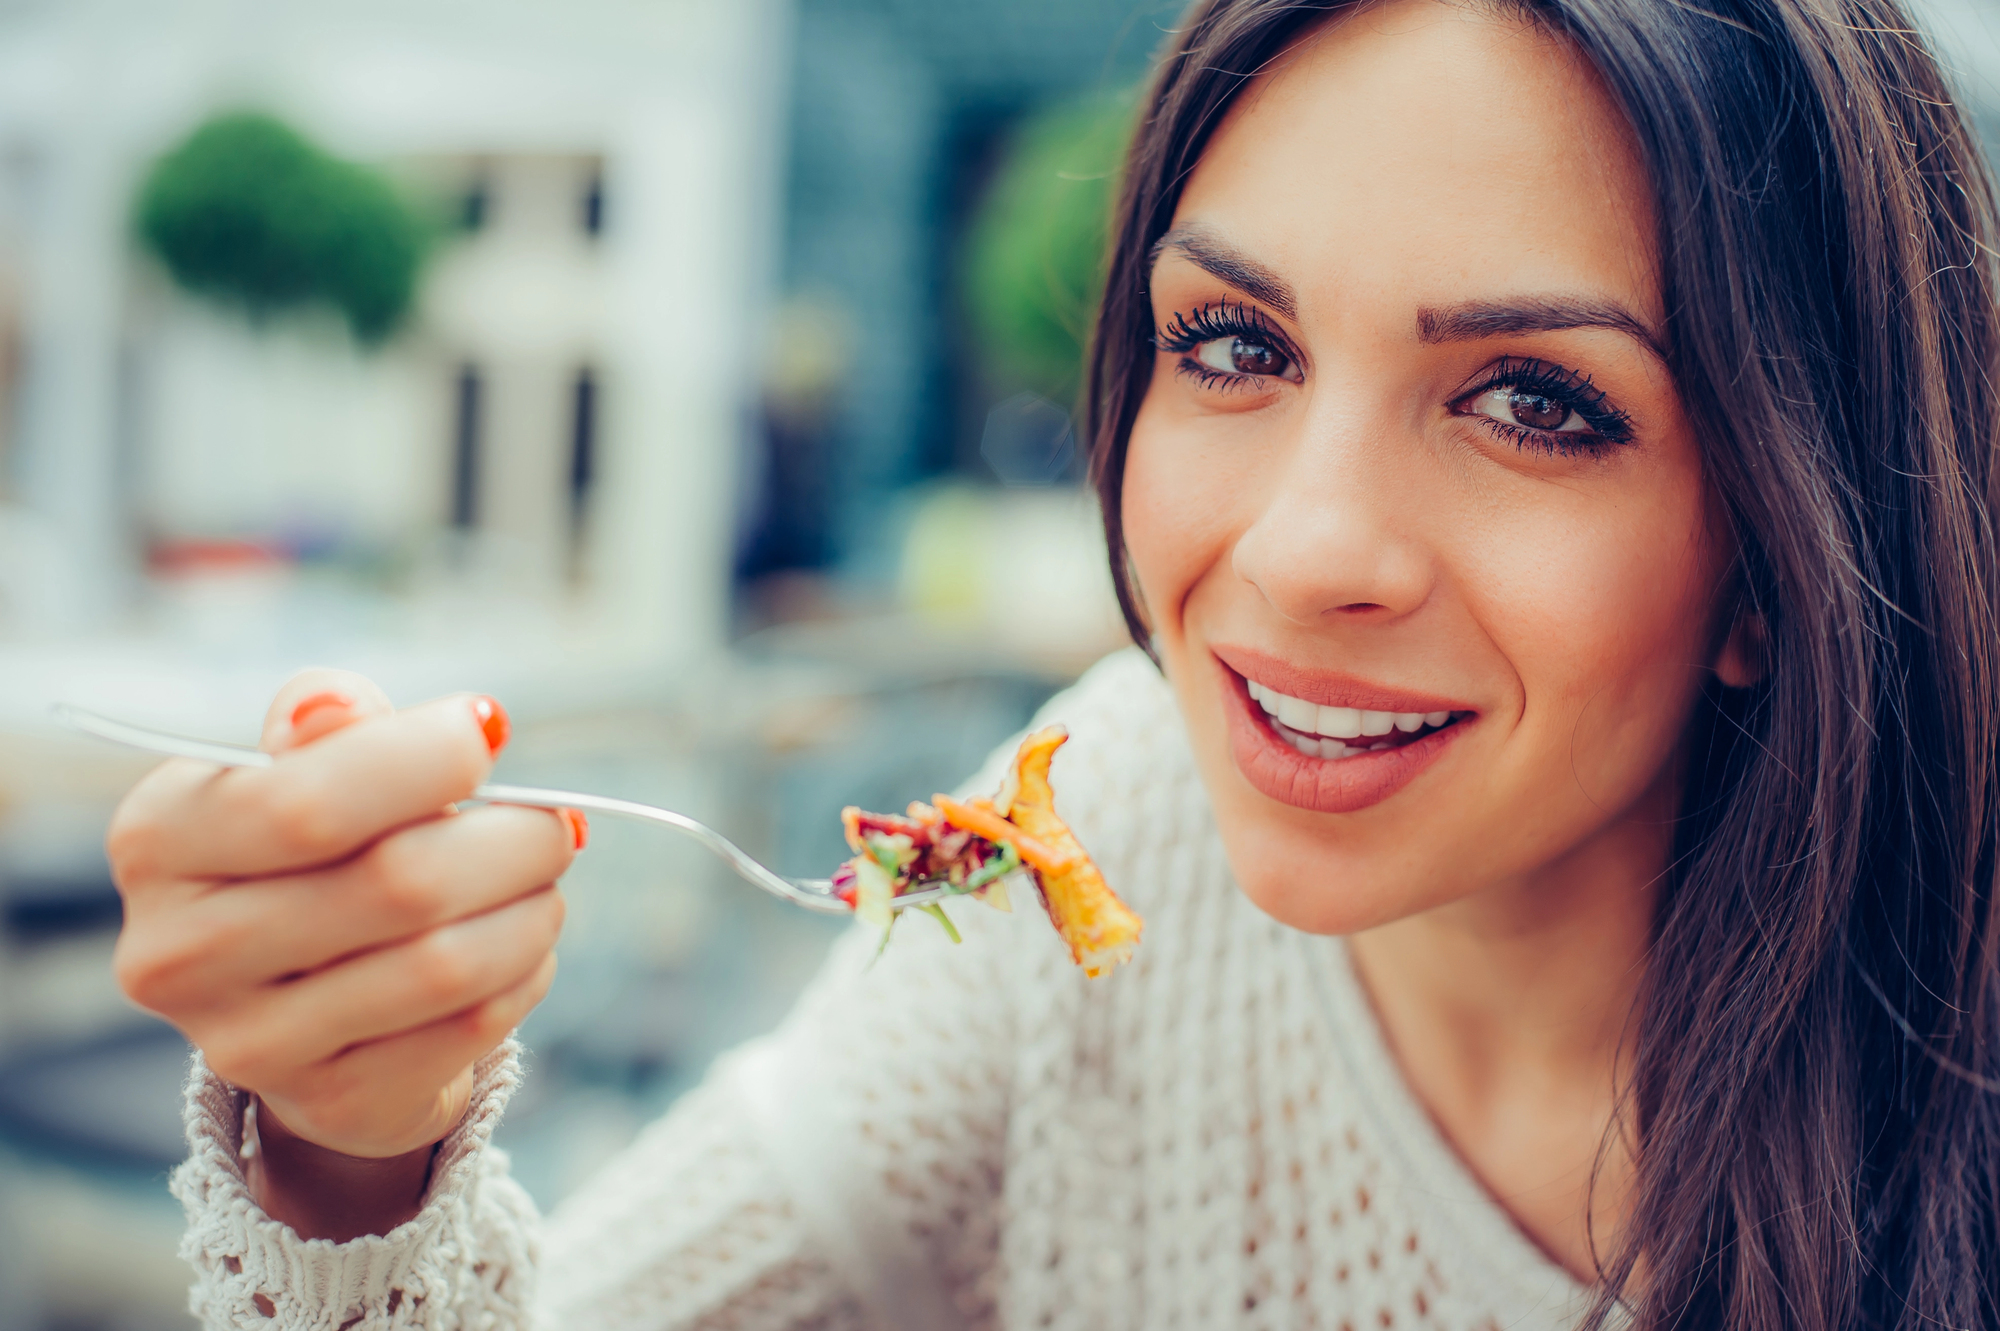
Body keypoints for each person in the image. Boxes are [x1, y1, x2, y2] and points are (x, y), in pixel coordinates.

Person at [105, 0, 2000, 1326]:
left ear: (1786, 548)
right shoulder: (1101, 830)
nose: (1298, 550)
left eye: (1531, 400)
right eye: (1235, 346)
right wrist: (354, 1151)